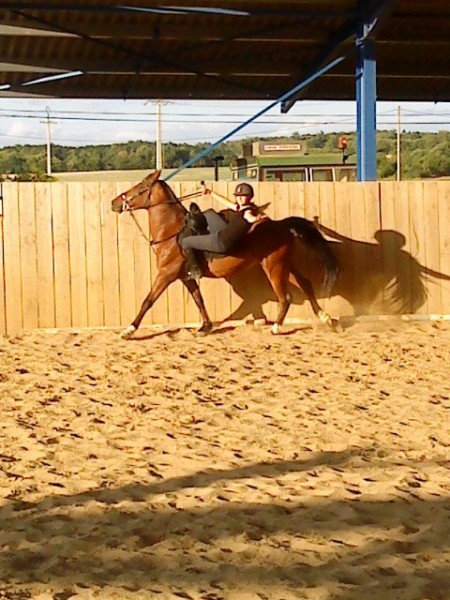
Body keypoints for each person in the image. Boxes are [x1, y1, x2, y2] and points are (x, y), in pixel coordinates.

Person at [181, 182, 267, 280]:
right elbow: (226, 202)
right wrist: (210, 193)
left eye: (243, 196)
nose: (239, 198)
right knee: (209, 213)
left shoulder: (248, 212)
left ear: (250, 197)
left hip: (220, 242)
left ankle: (195, 269)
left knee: (186, 241)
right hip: (221, 236)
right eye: (238, 196)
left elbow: (250, 218)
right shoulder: (241, 208)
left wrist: (258, 218)